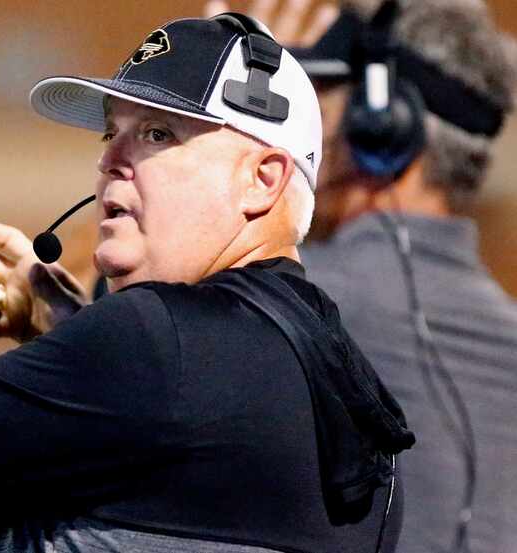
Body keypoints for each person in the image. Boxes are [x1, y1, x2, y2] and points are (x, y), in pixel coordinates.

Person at [0, 13, 415, 553]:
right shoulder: (338, 367)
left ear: (262, 180)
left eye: (159, 134)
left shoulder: (155, 343)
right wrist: (74, 333)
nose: (110, 162)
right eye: (112, 133)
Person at [203, 1, 517, 552]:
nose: (295, 123)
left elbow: (114, 289)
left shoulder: (297, 300)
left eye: (315, 100)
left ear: (380, 123)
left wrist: (219, 125)